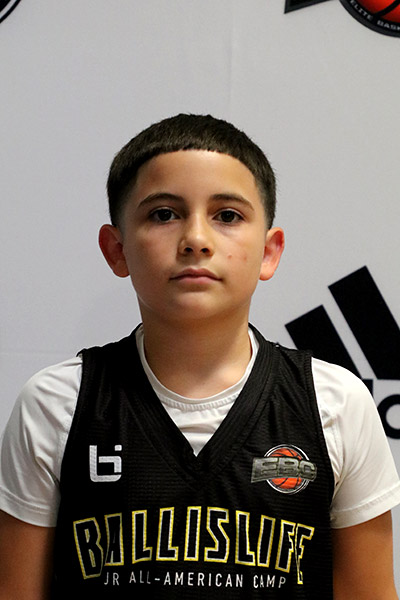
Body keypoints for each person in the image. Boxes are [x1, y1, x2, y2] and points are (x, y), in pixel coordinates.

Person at [0, 114, 399, 599]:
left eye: (227, 216)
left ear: (269, 251)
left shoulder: (335, 403)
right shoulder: (55, 405)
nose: (196, 239)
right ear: (116, 249)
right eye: (163, 214)